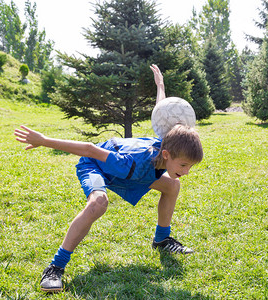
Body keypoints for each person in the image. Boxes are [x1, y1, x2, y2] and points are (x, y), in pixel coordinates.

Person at [14, 65, 204, 292]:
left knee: (173, 184)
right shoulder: (131, 161)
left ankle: (162, 240)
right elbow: (89, 149)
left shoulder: (168, 141)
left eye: (190, 166)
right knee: (98, 204)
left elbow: (163, 114)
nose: (186, 171)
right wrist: (44, 140)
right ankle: (56, 267)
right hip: (97, 166)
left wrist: (160, 85)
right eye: (183, 165)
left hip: (131, 174)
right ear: (166, 154)